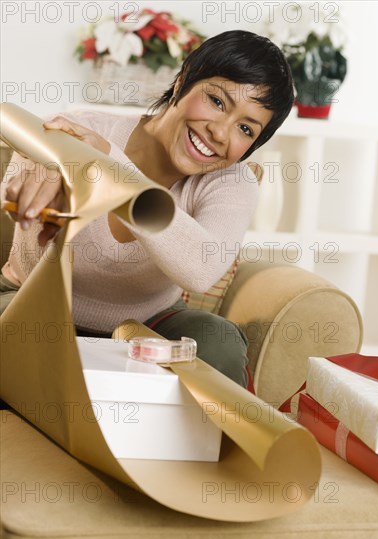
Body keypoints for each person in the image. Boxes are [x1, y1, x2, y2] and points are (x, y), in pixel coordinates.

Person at [1, 30, 294, 388]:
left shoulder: (232, 182)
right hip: (27, 304)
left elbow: (201, 269)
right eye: (217, 101)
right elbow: (22, 214)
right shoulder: (82, 130)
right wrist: (50, 170)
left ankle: (196, 443)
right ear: (185, 77)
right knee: (19, 337)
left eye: (246, 129)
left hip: (142, 327)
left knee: (218, 342)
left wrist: (110, 170)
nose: (220, 133)